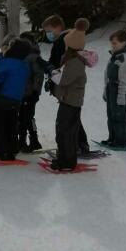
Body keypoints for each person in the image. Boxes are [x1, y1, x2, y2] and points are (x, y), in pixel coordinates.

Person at [50, 19, 98, 171]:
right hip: (67, 100)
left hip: (71, 102)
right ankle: (64, 157)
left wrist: (52, 73)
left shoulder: (75, 61)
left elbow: (64, 80)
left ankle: (67, 161)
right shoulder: (71, 59)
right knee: (62, 130)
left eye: (66, 44)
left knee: (66, 132)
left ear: (71, 46)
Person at [42, 13, 91, 154]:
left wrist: (51, 71)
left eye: (49, 31)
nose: (48, 34)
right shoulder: (67, 38)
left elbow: (59, 63)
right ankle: (79, 144)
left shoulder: (65, 40)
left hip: (66, 85)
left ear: (58, 27)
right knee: (71, 117)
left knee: (69, 118)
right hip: (64, 84)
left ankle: (78, 144)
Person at [0, 37, 31, 161]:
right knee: (11, 124)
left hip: (3, 99)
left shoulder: (6, 63)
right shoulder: (24, 65)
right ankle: (11, 150)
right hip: (16, 100)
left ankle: (1, 151)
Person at [103, 30, 126, 147]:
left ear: (123, 42)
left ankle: (123, 141)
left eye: (115, 43)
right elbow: (106, 75)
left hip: (120, 90)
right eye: (112, 43)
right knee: (111, 115)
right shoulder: (113, 57)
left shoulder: (125, 58)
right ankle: (113, 138)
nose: (113, 45)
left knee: (120, 116)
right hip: (110, 89)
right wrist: (105, 91)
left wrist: (121, 96)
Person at [18, 31, 45, 152]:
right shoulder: (23, 55)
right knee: (23, 117)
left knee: (27, 117)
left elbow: (39, 75)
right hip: (22, 93)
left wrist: (35, 92)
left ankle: (31, 140)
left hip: (30, 93)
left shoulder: (33, 57)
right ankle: (25, 140)